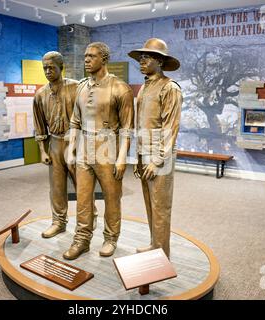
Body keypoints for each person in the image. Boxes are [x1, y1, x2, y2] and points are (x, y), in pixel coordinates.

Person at [63, 42, 134, 260]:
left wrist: (122, 158)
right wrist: (71, 150)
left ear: (103, 59)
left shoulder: (120, 88)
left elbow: (127, 128)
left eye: (91, 56)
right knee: (83, 198)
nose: (86, 60)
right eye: (85, 56)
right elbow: (75, 120)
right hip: (84, 146)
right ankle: (82, 239)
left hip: (108, 146)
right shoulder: (82, 87)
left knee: (112, 197)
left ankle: (111, 238)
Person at [128, 38, 182, 259]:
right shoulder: (144, 87)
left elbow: (171, 127)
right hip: (144, 154)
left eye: (146, 57)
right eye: (140, 58)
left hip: (160, 155)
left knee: (160, 207)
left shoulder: (170, 88)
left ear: (159, 61)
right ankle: (154, 244)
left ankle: (161, 255)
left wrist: (156, 159)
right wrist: (138, 158)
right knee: (150, 204)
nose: (141, 61)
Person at [33, 51, 97, 239]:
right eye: (44, 68)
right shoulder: (40, 95)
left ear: (61, 67)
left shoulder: (77, 88)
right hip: (54, 143)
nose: (47, 71)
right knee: (57, 187)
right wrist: (42, 151)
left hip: (75, 142)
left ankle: (90, 219)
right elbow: (39, 126)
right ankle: (58, 222)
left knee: (83, 186)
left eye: (51, 67)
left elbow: (88, 116)